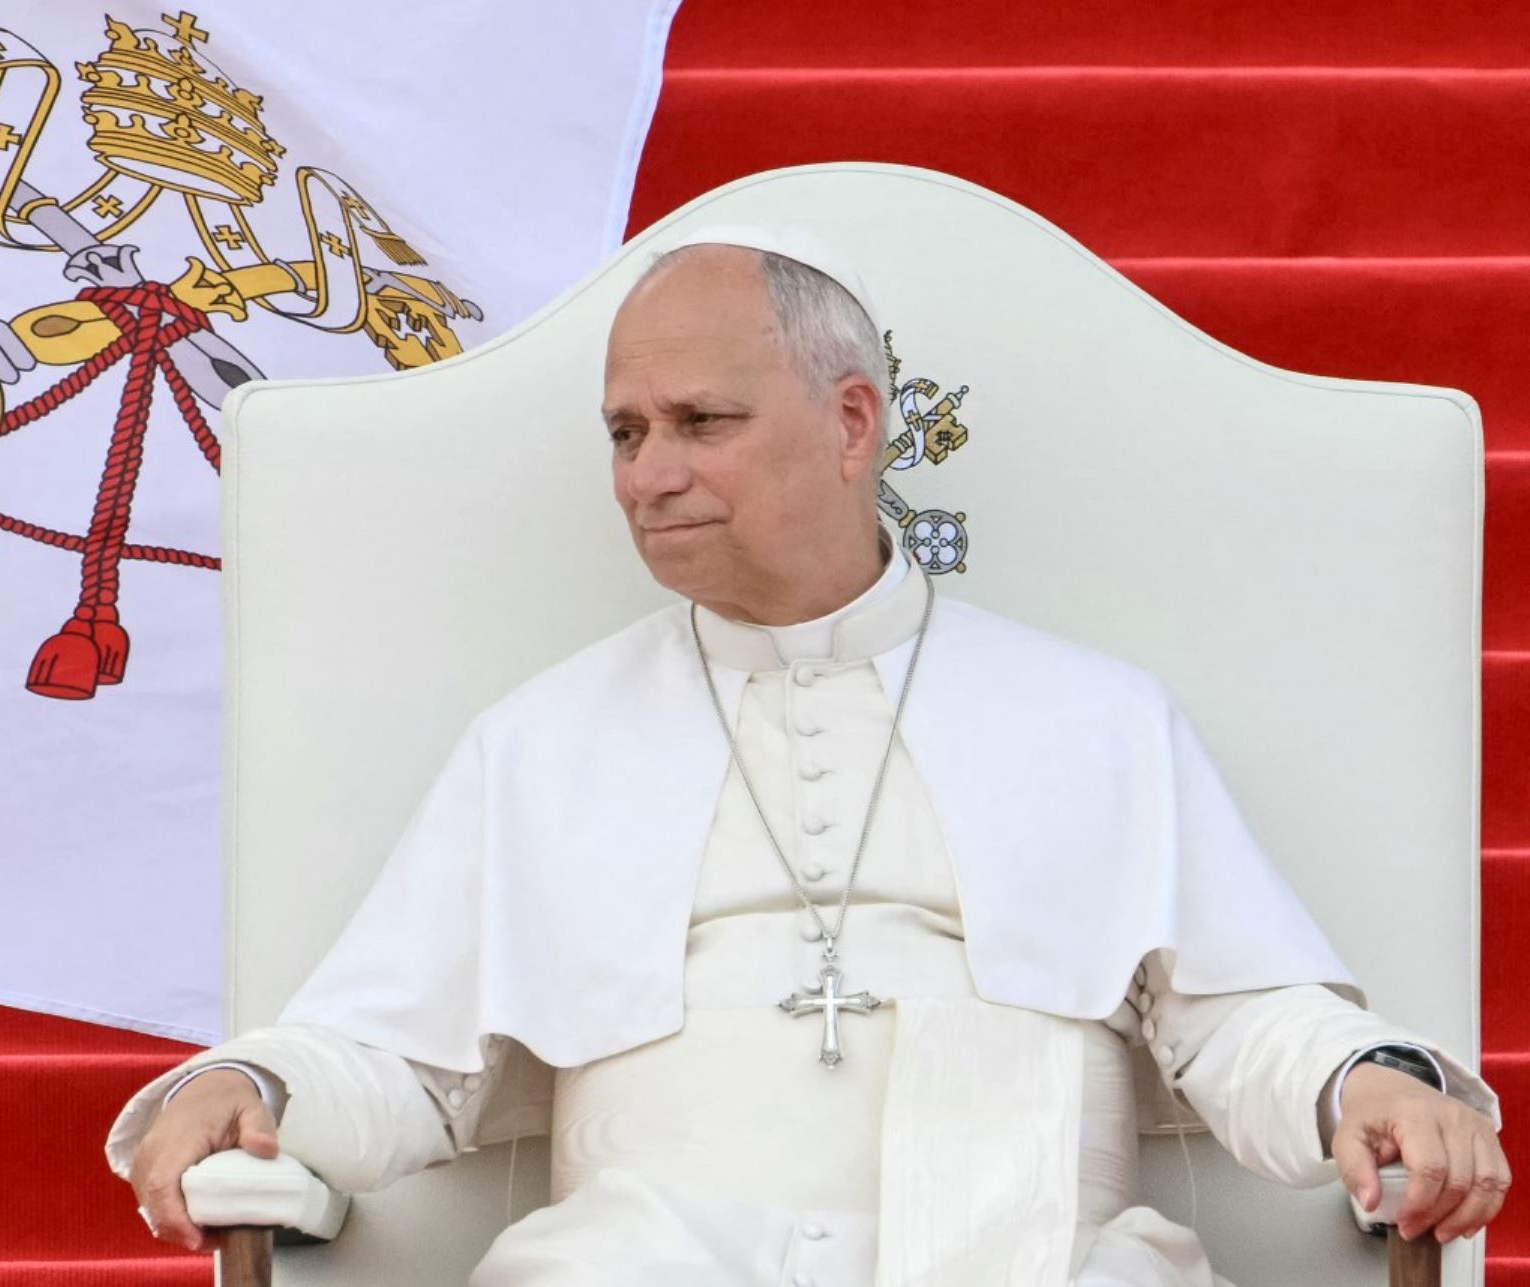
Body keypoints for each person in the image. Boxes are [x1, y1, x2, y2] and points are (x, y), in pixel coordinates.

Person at [106, 226, 1509, 1285]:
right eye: (625, 432)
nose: (649, 474)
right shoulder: (538, 741)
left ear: (852, 425)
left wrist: (1368, 1080)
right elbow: (407, 1066)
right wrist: (260, 1086)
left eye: (702, 422)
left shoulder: (1094, 718)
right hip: (639, 1264)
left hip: (1022, 1256)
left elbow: (1237, 1017)